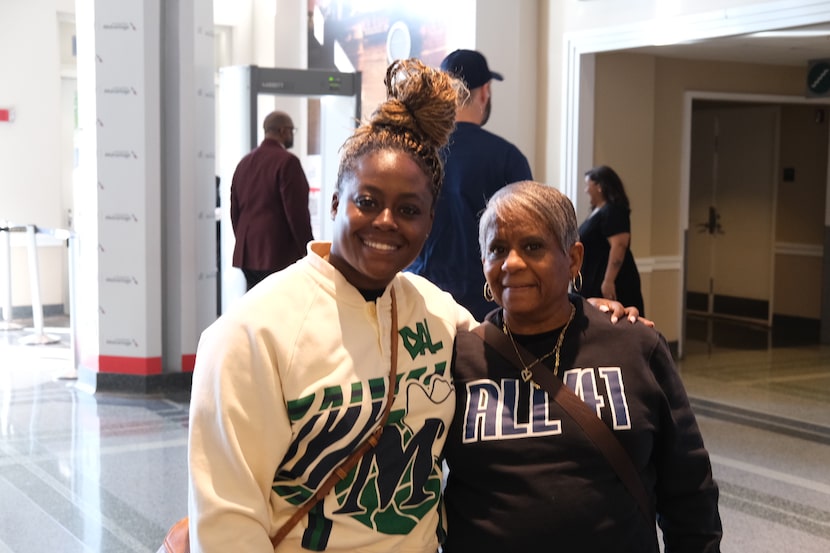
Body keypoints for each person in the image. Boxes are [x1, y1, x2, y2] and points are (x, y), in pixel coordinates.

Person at [189, 59, 478, 553]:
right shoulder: (251, 333)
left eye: (409, 210)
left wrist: (598, 319)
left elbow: (520, 366)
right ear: (335, 204)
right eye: (367, 201)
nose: (386, 221)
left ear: (429, 222)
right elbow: (227, 523)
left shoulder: (440, 314)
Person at [443, 181, 722, 552]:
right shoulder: (459, 356)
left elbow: (689, 489)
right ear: (484, 264)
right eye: (497, 249)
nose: (511, 262)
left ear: (573, 258)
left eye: (532, 246)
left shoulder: (635, 346)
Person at [407, 49, 532, 321]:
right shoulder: (507, 158)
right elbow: (530, 236)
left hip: (417, 303)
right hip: (485, 310)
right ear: (485, 92)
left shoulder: (411, 154)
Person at [230, 110, 314, 291]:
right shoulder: (288, 162)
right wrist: (309, 251)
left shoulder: (244, 163)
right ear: (283, 131)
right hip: (277, 253)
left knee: (254, 307)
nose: (292, 135)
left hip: (248, 254)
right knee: (280, 310)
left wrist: (244, 241)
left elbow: (235, 211)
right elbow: (297, 214)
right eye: (292, 130)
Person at [578, 164, 646, 315]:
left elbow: (619, 245)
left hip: (612, 281)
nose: (586, 190)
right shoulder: (598, 211)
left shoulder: (613, 211)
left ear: (600, 186)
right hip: (593, 279)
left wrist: (608, 281)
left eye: (588, 185)